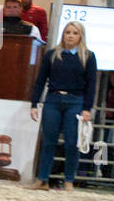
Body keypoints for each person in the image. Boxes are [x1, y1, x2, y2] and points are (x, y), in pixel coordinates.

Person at [28, 21, 97, 191]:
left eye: (75, 33)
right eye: (68, 32)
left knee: (72, 142)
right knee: (48, 141)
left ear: (81, 36)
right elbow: (40, 80)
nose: (71, 36)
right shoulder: (52, 55)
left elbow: (91, 84)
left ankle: (69, 181)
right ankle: (42, 179)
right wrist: (34, 103)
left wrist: (87, 108)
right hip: (53, 100)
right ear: (63, 34)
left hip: (76, 102)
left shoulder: (88, 56)